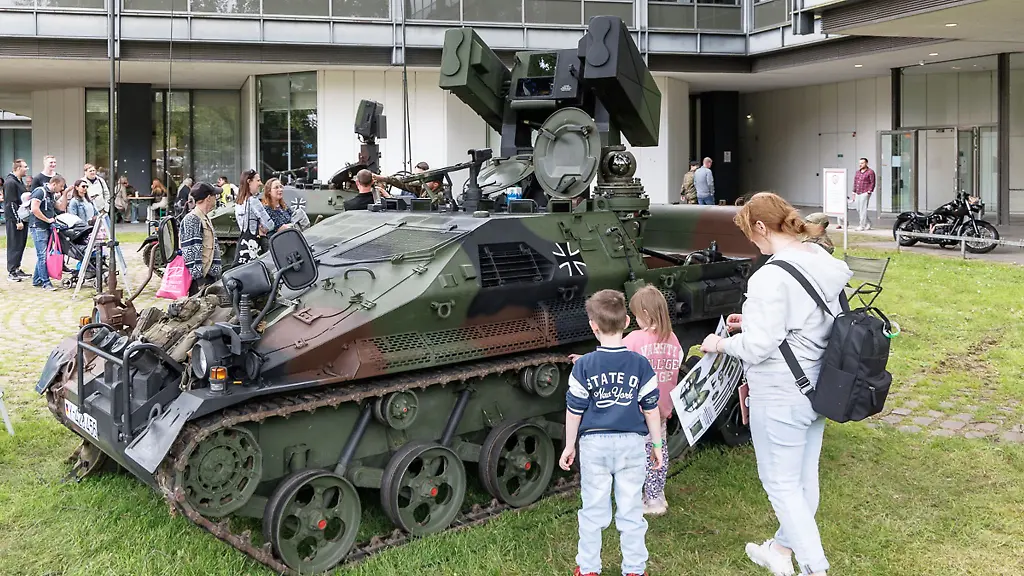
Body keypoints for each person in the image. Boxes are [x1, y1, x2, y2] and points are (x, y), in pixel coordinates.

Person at [699, 192, 852, 576]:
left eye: (752, 235)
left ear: (763, 227)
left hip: (781, 392)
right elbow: (804, 321)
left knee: (782, 485)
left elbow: (758, 346)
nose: (753, 243)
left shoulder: (771, 275)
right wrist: (748, 321)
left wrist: (719, 343)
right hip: (819, 385)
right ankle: (781, 550)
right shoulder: (820, 259)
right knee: (804, 481)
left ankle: (816, 568)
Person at [560, 289, 663, 576]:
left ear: (593, 326)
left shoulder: (583, 366)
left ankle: (589, 568)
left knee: (593, 507)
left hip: (595, 445)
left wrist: (570, 445)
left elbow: (574, 409)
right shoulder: (641, 364)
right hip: (632, 443)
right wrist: (656, 443)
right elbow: (651, 408)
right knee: (631, 508)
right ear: (627, 321)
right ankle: (634, 569)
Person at [622, 286, 685, 516]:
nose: (635, 319)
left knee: (636, 455)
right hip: (662, 408)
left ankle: (637, 496)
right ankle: (656, 497)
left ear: (646, 314)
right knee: (658, 451)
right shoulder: (672, 338)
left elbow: (613, 356)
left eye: (637, 314)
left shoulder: (635, 339)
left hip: (638, 411)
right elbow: (678, 360)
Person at [234, 169, 288, 266]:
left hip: (244, 241)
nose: (260, 183)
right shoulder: (254, 201)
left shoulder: (239, 202)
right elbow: (269, 225)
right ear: (249, 181)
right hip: (257, 244)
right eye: (258, 180)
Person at [179, 182, 222, 296]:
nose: (216, 198)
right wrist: (199, 281)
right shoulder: (193, 219)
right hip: (201, 282)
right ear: (208, 198)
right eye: (214, 195)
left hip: (208, 277)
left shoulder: (204, 217)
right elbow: (191, 252)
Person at [28, 175, 68, 291]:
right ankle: (46, 282)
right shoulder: (40, 192)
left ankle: (37, 279)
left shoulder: (51, 195)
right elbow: (34, 209)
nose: (61, 189)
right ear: (54, 184)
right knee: (42, 256)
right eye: (60, 186)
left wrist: (65, 194)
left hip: (46, 227)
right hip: (38, 227)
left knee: (43, 255)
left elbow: (61, 207)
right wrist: (47, 220)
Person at [4, 159, 31, 282]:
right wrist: (17, 221)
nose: (27, 169)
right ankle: (11, 271)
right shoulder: (10, 182)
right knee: (14, 244)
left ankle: (17, 268)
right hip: (15, 220)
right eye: (25, 167)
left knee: (20, 244)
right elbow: (11, 204)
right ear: (18, 168)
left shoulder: (19, 181)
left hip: (23, 218)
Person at [852, 158, 875, 231]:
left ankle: (862, 225)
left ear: (866, 163)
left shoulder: (870, 172)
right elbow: (855, 182)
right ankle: (869, 223)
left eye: (862, 163)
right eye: (860, 163)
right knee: (858, 209)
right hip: (858, 192)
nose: (860, 164)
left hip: (865, 192)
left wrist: (869, 191)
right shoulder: (857, 172)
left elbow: (872, 182)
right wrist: (853, 192)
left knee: (863, 209)